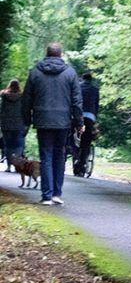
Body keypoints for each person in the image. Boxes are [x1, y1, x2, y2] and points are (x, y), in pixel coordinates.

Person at [21, 42, 83, 205]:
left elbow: (26, 99)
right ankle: (57, 193)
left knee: (46, 156)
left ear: (46, 54)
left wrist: (27, 121)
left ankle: (46, 196)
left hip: (42, 120)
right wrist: (79, 122)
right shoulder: (70, 73)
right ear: (61, 54)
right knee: (59, 155)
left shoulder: (35, 73)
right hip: (63, 121)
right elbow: (77, 101)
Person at [74, 73, 99, 176]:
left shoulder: (78, 87)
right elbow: (96, 105)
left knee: (73, 138)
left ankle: (75, 158)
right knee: (86, 142)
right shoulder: (95, 90)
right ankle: (82, 165)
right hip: (90, 117)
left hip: (77, 115)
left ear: (82, 78)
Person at [0, 80, 28, 172]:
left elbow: (1, 110)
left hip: (6, 125)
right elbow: (25, 110)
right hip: (19, 124)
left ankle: (8, 166)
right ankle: (18, 167)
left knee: (8, 146)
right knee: (18, 146)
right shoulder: (22, 96)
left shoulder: (4, 96)